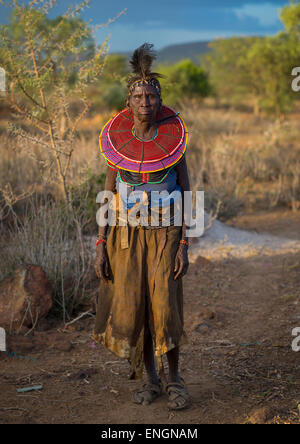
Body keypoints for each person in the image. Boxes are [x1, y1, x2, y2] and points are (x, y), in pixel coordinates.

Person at [93, 43, 191, 410]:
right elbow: (107, 194)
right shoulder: (116, 143)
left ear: (159, 100)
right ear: (129, 102)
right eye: (138, 95)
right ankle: (150, 379)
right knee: (138, 307)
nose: (145, 101)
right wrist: (101, 243)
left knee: (165, 305)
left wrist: (185, 244)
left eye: (151, 95)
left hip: (166, 232)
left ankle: (176, 379)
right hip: (126, 234)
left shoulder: (175, 140)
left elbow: (187, 191)